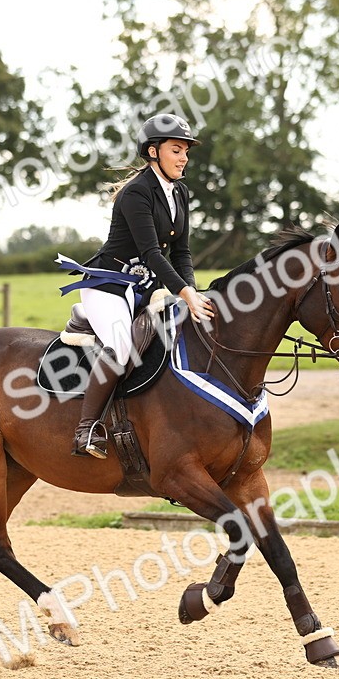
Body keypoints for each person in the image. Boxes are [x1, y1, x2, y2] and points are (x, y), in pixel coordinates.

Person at [59, 113, 216, 458]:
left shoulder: (180, 193)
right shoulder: (136, 193)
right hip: (108, 287)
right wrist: (186, 293)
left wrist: (192, 289)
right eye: (176, 150)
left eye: (186, 151)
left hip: (146, 288)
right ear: (153, 151)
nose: (184, 158)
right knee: (121, 347)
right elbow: (150, 252)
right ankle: (86, 431)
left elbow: (181, 252)